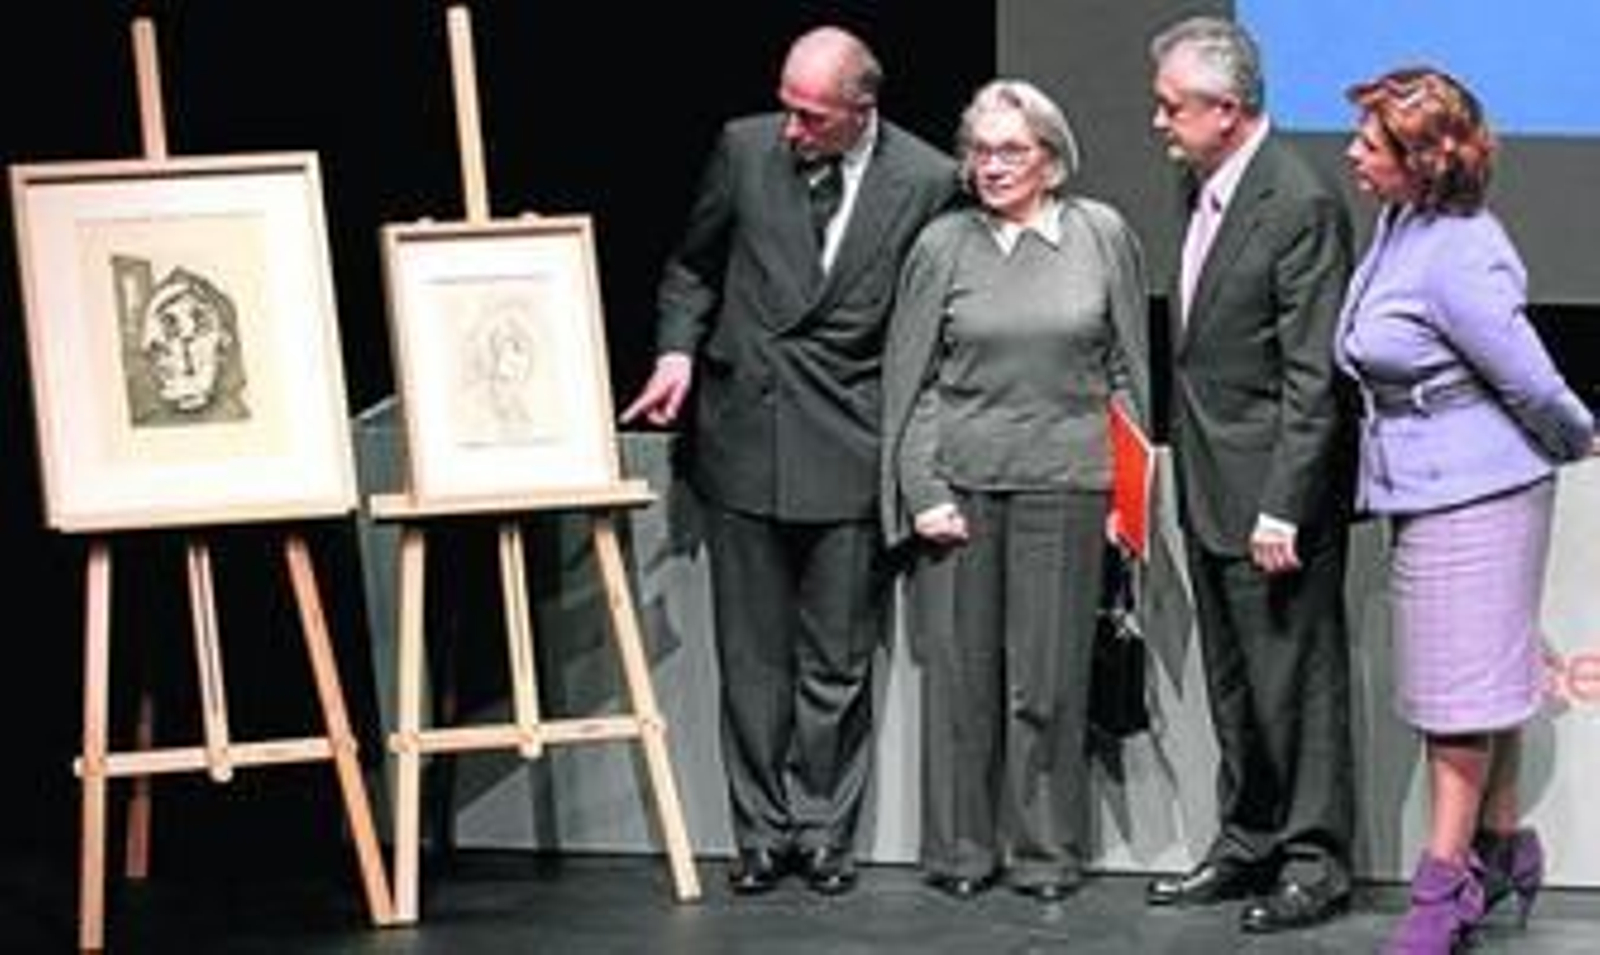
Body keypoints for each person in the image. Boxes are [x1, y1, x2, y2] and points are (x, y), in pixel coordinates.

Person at [620, 25, 958, 896]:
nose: (793, 128)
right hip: (744, 434)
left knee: (836, 661)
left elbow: (928, 323)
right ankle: (760, 832)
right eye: (787, 107)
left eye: (811, 116)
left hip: (847, 444)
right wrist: (676, 354)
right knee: (754, 659)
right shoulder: (744, 149)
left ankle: (823, 829)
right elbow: (692, 268)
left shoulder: (922, 180)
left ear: (861, 109)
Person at [1337, 66, 1597, 954]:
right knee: (1482, 679)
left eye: (1371, 145)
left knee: (1457, 697)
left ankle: (1442, 890)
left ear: (1424, 162)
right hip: (1426, 479)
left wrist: (1579, 436)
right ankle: (1505, 847)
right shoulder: (1401, 224)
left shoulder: (1462, 249)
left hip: (1480, 487)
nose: (1352, 154)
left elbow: (1529, 374)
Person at [880, 78, 1149, 904]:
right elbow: (912, 380)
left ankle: (1046, 854)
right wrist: (922, 487)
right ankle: (962, 852)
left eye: (1011, 151)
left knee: (1050, 682)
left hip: (1068, 488)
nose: (992, 167)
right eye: (980, 151)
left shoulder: (1102, 235)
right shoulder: (943, 246)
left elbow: (1125, 374)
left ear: (1052, 159)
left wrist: (1128, 501)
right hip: (961, 489)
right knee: (963, 682)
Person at [1142, 16, 1358, 933]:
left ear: (1227, 110)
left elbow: (1314, 374)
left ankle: (1315, 861)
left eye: (1172, 107)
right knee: (1234, 683)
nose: (1158, 122)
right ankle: (1248, 841)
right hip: (1207, 478)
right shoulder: (1199, 186)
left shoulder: (1298, 201)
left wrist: (1284, 505)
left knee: (1295, 685)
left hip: (1272, 495)